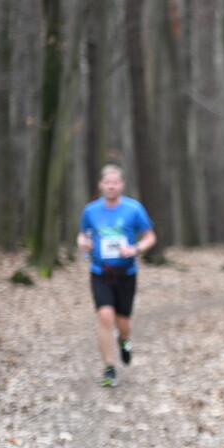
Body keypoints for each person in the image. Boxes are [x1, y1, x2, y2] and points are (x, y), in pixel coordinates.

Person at [77, 164, 157, 388]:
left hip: (126, 273)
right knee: (104, 315)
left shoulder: (134, 209)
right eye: (107, 182)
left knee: (124, 323)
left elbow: (150, 237)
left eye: (115, 182)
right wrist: (82, 243)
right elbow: (82, 236)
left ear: (121, 185)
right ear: (101, 185)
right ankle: (109, 367)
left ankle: (124, 341)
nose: (111, 186)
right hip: (100, 272)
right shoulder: (90, 211)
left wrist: (137, 249)